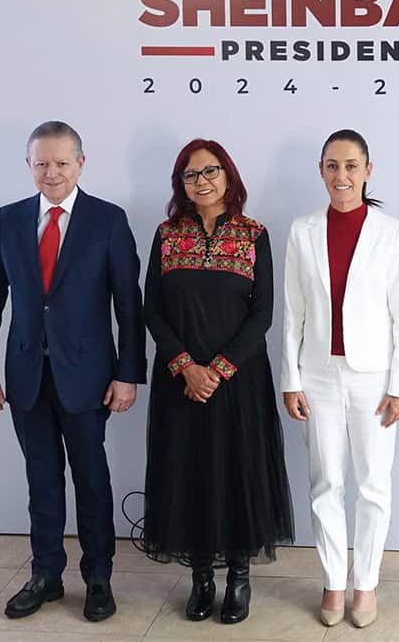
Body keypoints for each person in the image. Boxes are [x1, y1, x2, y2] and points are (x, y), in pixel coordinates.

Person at [0, 121, 146, 622]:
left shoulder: (107, 220)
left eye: (61, 162)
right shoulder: (9, 220)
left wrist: (128, 374)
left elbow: (128, 307)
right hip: (25, 375)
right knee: (41, 479)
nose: (51, 172)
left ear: (80, 164)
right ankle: (46, 574)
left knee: (91, 479)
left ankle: (98, 577)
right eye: (41, 163)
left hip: (90, 377)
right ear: (29, 165)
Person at [141, 139, 294, 625]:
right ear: (180, 184)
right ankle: (201, 578)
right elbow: (152, 310)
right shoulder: (167, 235)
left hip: (238, 381)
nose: (201, 181)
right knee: (187, 472)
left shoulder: (254, 234)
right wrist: (187, 366)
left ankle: (239, 579)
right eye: (190, 174)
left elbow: (263, 312)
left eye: (211, 171)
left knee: (237, 471)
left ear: (229, 176)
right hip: (178, 380)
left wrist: (218, 370)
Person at [281, 129, 399, 629]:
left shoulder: (391, 231)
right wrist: (290, 379)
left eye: (352, 166)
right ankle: (335, 580)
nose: (342, 176)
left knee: (374, 485)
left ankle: (367, 582)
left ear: (368, 170)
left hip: (374, 377)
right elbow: (292, 313)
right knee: (326, 482)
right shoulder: (302, 230)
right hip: (317, 375)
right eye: (333, 166)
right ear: (321, 171)